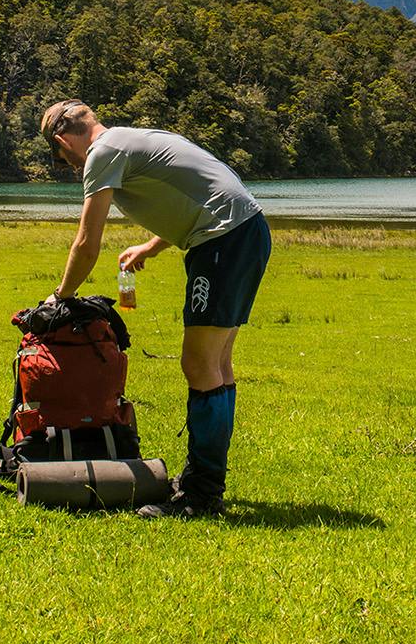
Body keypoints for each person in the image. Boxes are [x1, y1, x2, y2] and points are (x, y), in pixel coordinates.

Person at [40, 100, 272, 519]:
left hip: (222, 242)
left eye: (63, 160)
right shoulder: (135, 137)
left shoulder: (101, 153)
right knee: (217, 364)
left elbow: (86, 241)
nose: (71, 167)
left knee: (199, 364)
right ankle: (205, 479)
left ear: (62, 140)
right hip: (245, 232)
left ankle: (202, 496)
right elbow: (201, 190)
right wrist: (151, 245)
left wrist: (61, 297)